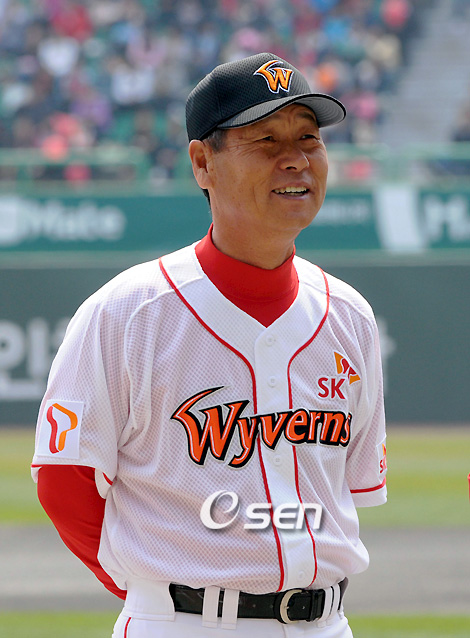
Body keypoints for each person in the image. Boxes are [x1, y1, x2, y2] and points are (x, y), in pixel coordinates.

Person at [32, 52, 387, 638]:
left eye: (309, 138)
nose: (295, 158)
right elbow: (65, 484)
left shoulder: (350, 316)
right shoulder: (127, 312)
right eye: (266, 139)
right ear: (202, 162)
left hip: (328, 624)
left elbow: (349, 487)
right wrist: (156, 591)